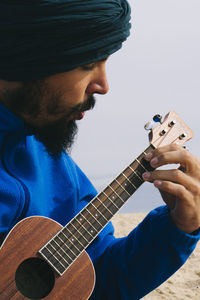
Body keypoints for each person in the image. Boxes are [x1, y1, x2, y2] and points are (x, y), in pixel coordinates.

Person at [0, 0, 199, 299]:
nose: (104, 85)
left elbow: (100, 276)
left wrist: (178, 228)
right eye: (88, 64)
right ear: (31, 57)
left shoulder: (56, 167)